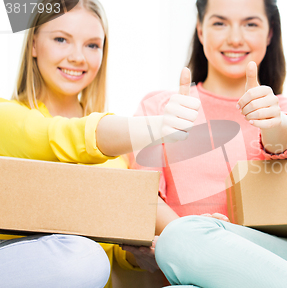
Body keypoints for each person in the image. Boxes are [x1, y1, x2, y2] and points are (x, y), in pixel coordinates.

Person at [129, 0, 287, 287]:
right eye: (219, 23)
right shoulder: (159, 108)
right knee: (179, 245)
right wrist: (205, 237)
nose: (235, 38)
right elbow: (145, 199)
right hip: (199, 263)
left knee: (178, 238)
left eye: (250, 24)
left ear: (269, 34)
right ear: (200, 31)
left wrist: (273, 122)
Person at [0, 0, 201, 286]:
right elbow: (60, 137)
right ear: (33, 45)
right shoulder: (7, 117)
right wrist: (155, 126)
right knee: (85, 257)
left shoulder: (114, 153)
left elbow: (109, 242)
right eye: (61, 40)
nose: (78, 57)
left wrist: (138, 256)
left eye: (92, 45)